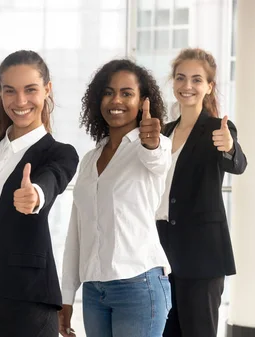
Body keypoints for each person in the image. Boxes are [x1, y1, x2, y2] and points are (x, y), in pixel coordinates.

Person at [0, 50, 79, 337]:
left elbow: (53, 179)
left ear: (47, 89)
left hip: (29, 305)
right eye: (10, 91)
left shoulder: (59, 153)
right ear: (0, 93)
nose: (20, 101)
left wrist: (35, 194)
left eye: (30, 90)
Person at [59, 59, 172, 337]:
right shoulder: (90, 160)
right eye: (109, 92)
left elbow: (156, 158)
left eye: (126, 93)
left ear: (143, 102)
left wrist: (151, 141)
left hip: (139, 285)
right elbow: (77, 230)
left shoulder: (152, 147)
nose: (116, 100)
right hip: (94, 291)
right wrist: (65, 295)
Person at [156, 48, 247, 337]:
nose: (187, 86)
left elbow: (238, 163)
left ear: (209, 86)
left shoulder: (218, 129)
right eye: (181, 78)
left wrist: (230, 147)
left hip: (201, 253)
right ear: (173, 82)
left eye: (197, 80)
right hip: (160, 251)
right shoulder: (163, 133)